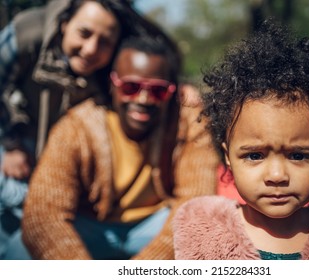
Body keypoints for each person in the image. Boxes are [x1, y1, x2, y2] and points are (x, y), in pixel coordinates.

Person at [173, 20, 309, 260]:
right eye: (255, 155)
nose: (277, 175)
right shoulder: (202, 231)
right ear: (228, 156)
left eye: (298, 155)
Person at [18, 30, 219, 260]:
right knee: (18, 250)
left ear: (172, 91)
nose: (143, 100)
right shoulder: (77, 127)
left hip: (153, 227)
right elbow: (43, 215)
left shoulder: (189, 122)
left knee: (215, 228)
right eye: (131, 87)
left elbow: (195, 203)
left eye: (157, 90)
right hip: (91, 228)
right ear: (112, 84)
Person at [0, 0, 153, 258]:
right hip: (13, 140)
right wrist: (11, 144)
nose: (91, 49)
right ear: (64, 24)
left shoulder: (111, 70)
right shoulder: (26, 34)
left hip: (53, 159)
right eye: (84, 33)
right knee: (13, 197)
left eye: (105, 42)